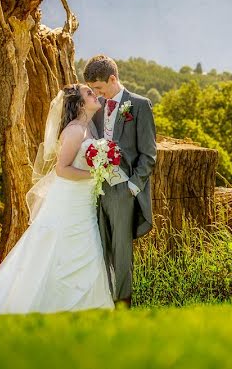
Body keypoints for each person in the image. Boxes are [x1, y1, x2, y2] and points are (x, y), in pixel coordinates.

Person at [0, 84, 114, 318]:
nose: (95, 95)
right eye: (89, 93)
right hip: (69, 203)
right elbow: (62, 170)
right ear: (80, 104)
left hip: (83, 202)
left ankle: (87, 311)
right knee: (58, 251)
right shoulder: (74, 131)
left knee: (86, 249)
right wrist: (97, 176)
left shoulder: (89, 128)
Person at [84, 55, 157, 309]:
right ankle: (103, 301)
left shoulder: (139, 105)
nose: (96, 93)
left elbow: (148, 155)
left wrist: (132, 188)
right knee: (99, 245)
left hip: (124, 190)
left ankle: (123, 305)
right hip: (96, 188)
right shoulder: (97, 107)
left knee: (122, 251)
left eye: (99, 88)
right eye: (92, 89)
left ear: (113, 79)